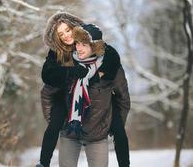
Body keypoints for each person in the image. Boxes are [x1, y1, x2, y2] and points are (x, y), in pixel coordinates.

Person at [37, 12, 130, 167]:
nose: (67, 36)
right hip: (68, 112)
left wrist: (99, 74)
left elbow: (111, 55)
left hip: (98, 124)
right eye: (61, 34)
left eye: (68, 30)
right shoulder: (59, 55)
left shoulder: (98, 48)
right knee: (55, 123)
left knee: (119, 129)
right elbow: (47, 78)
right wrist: (57, 121)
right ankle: (43, 162)